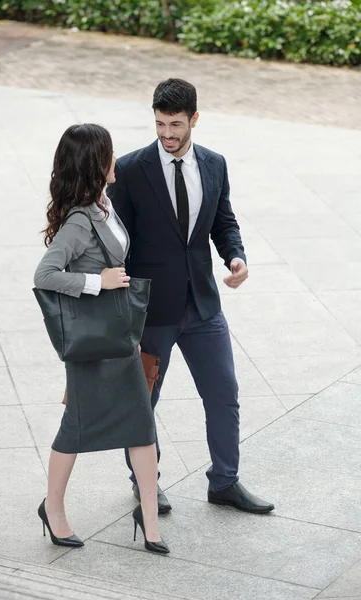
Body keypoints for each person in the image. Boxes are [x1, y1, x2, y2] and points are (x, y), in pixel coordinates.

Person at [107, 79, 274, 515]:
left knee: (224, 394)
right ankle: (145, 482)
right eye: (160, 124)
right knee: (144, 400)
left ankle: (225, 482)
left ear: (194, 119)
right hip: (150, 309)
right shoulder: (128, 170)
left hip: (202, 304)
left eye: (176, 125)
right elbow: (112, 239)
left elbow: (224, 221)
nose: (167, 134)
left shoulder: (215, 165)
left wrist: (235, 257)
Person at [33, 123, 169, 554]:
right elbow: (45, 274)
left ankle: (149, 521)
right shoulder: (79, 220)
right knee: (74, 429)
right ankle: (52, 508)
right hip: (94, 346)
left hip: (119, 340)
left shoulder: (104, 204)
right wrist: (98, 280)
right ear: (95, 164)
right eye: (108, 154)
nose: (116, 160)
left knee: (141, 425)